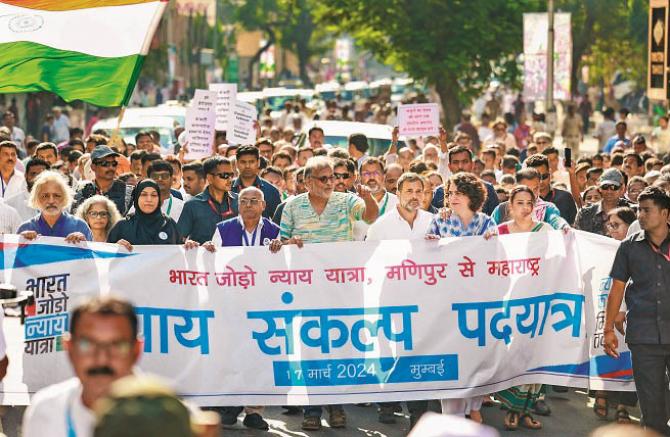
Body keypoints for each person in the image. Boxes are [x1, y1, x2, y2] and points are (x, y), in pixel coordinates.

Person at [280, 156, 378, 430]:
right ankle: (311, 410)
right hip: (307, 289)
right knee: (311, 347)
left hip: (340, 288)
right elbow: (281, 240)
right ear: (307, 182)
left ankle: (336, 406)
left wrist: (368, 198)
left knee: (337, 345)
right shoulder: (292, 206)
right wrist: (289, 242)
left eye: (332, 177)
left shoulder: (346, 201)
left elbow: (370, 216)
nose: (330, 182)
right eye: (323, 178)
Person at [200, 187, 279, 431]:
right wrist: (207, 251)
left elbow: (285, 267)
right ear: (237, 205)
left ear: (264, 205)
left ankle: (254, 411)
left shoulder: (275, 231)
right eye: (243, 201)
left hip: (262, 304)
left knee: (259, 357)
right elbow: (211, 263)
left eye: (254, 200)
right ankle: (230, 405)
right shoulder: (224, 229)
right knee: (230, 354)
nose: (248, 205)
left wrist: (284, 247)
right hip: (230, 302)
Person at [425, 172, 495, 423]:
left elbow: (495, 259)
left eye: (458, 193)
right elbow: (425, 259)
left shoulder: (486, 223)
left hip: (476, 302)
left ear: (472, 196)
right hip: (445, 302)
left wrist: (491, 243)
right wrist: (430, 244)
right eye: (450, 193)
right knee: (450, 358)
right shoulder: (439, 221)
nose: (452, 197)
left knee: (474, 358)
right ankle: (452, 418)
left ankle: (473, 407)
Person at [366, 172, 434, 428]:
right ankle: (388, 403)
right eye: (409, 190)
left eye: (420, 190)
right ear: (399, 193)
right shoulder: (382, 226)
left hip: (424, 300)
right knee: (389, 350)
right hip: (390, 297)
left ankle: (419, 414)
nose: (415, 195)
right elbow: (368, 259)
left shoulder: (433, 222)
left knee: (420, 353)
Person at [22, 297, 142, 437]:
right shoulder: (46, 411)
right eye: (87, 345)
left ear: (136, 350)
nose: (102, 358)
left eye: (117, 346)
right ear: (69, 348)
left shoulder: (165, 416)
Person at [604, 186, 670, 435]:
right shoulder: (629, 247)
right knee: (651, 410)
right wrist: (608, 328)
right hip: (643, 337)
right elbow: (616, 289)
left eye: (647, 210)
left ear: (665, 213)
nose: (640, 215)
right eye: (639, 210)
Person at [107, 179, 183, 250]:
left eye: (153, 195)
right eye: (143, 195)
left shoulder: (169, 224)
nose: (149, 199)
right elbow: (105, 257)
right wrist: (115, 247)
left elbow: (180, 255)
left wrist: (189, 247)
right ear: (136, 198)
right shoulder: (122, 226)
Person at [18, 171, 92, 242]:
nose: (51, 201)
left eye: (56, 196)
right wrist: (20, 244)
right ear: (36, 199)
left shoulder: (80, 227)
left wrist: (84, 245)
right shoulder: (25, 229)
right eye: (45, 196)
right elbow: (14, 254)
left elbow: (91, 254)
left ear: (65, 198)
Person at [178, 156, 238, 244]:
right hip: (202, 256)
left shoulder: (240, 202)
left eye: (231, 175)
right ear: (209, 178)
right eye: (224, 175)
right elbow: (178, 240)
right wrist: (189, 243)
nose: (230, 180)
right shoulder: (192, 205)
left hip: (234, 256)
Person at [491, 168, 569, 231]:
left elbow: (555, 220)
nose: (531, 194)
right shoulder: (501, 209)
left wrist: (563, 226)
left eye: (535, 189)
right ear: (516, 187)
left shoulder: (548, 209)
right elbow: (490, 229)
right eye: (527, 189)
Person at [431, 146, 499, 216]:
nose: (460, 166)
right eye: (455, 162)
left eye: (465, 162)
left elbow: (495, 219)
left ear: (472, 164)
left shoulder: (487, 188)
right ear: (449, 166)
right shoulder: (439, 192)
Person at [72, 146, 133, 215]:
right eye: (105, 164)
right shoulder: (82, 193)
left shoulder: (129, 191)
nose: (111, 167)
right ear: (93, 167)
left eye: (114, 164)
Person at [575, 169, 635, 236]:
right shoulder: (585, 214)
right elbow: (578, 239)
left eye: (614, 187)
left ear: (622, 188)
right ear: (599, 188)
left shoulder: (633, 212)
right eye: (605, 187)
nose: (609, 191)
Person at [525, 154, 577, 224]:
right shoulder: (523, 201)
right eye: (537, 178)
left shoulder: (566, 197)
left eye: (544, 176)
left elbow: (574, 226)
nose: (541, 181)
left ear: (550, 173)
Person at [354, 157, 398, 240]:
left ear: (384, 176)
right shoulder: (351, 202)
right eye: (366, 174)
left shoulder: (398, 203)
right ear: (359, 178)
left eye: (376, 173)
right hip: (358, 252)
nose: (371, 177)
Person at [231, 146, 281, 219]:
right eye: (243, 162)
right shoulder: (226, 189)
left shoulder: (271, 191)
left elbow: (277, 223)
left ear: (258, 162)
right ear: (236, 164)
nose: (247, 166)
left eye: (251, 162)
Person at [5, 157, 49, 221]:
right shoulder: (11, 204)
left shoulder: (59, 202)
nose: (36, 178)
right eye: (33, 174)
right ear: (26, 175)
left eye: (41, 175)